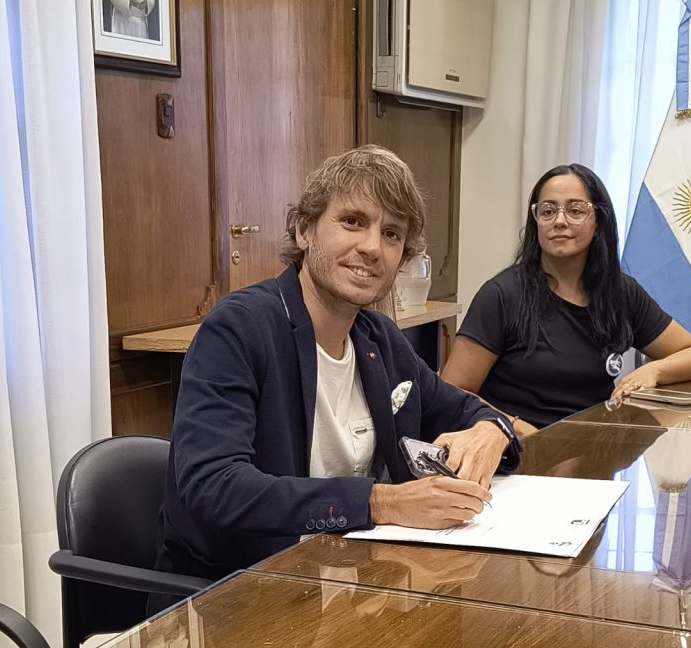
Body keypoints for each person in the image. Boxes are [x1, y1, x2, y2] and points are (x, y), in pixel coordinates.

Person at [154, 145, 519, 587]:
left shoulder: (379, 339)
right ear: (304, 230)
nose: (372, 247)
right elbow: (215, 488)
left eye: (391, 233)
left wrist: (492, 432)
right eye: (352, 221)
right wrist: (381, 502)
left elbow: (467, 410)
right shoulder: (240, 329)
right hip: (239, 594)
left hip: (354, 584)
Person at [440, 163, 691, 437]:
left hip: (594, 448)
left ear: (598, 221)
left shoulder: (621, 292)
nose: (559, 221)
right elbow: (452, 391)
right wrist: (518, 429)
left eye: (575, 211)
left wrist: (653, 371)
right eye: (548, 211)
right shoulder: (502, 294)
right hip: (518, 448)